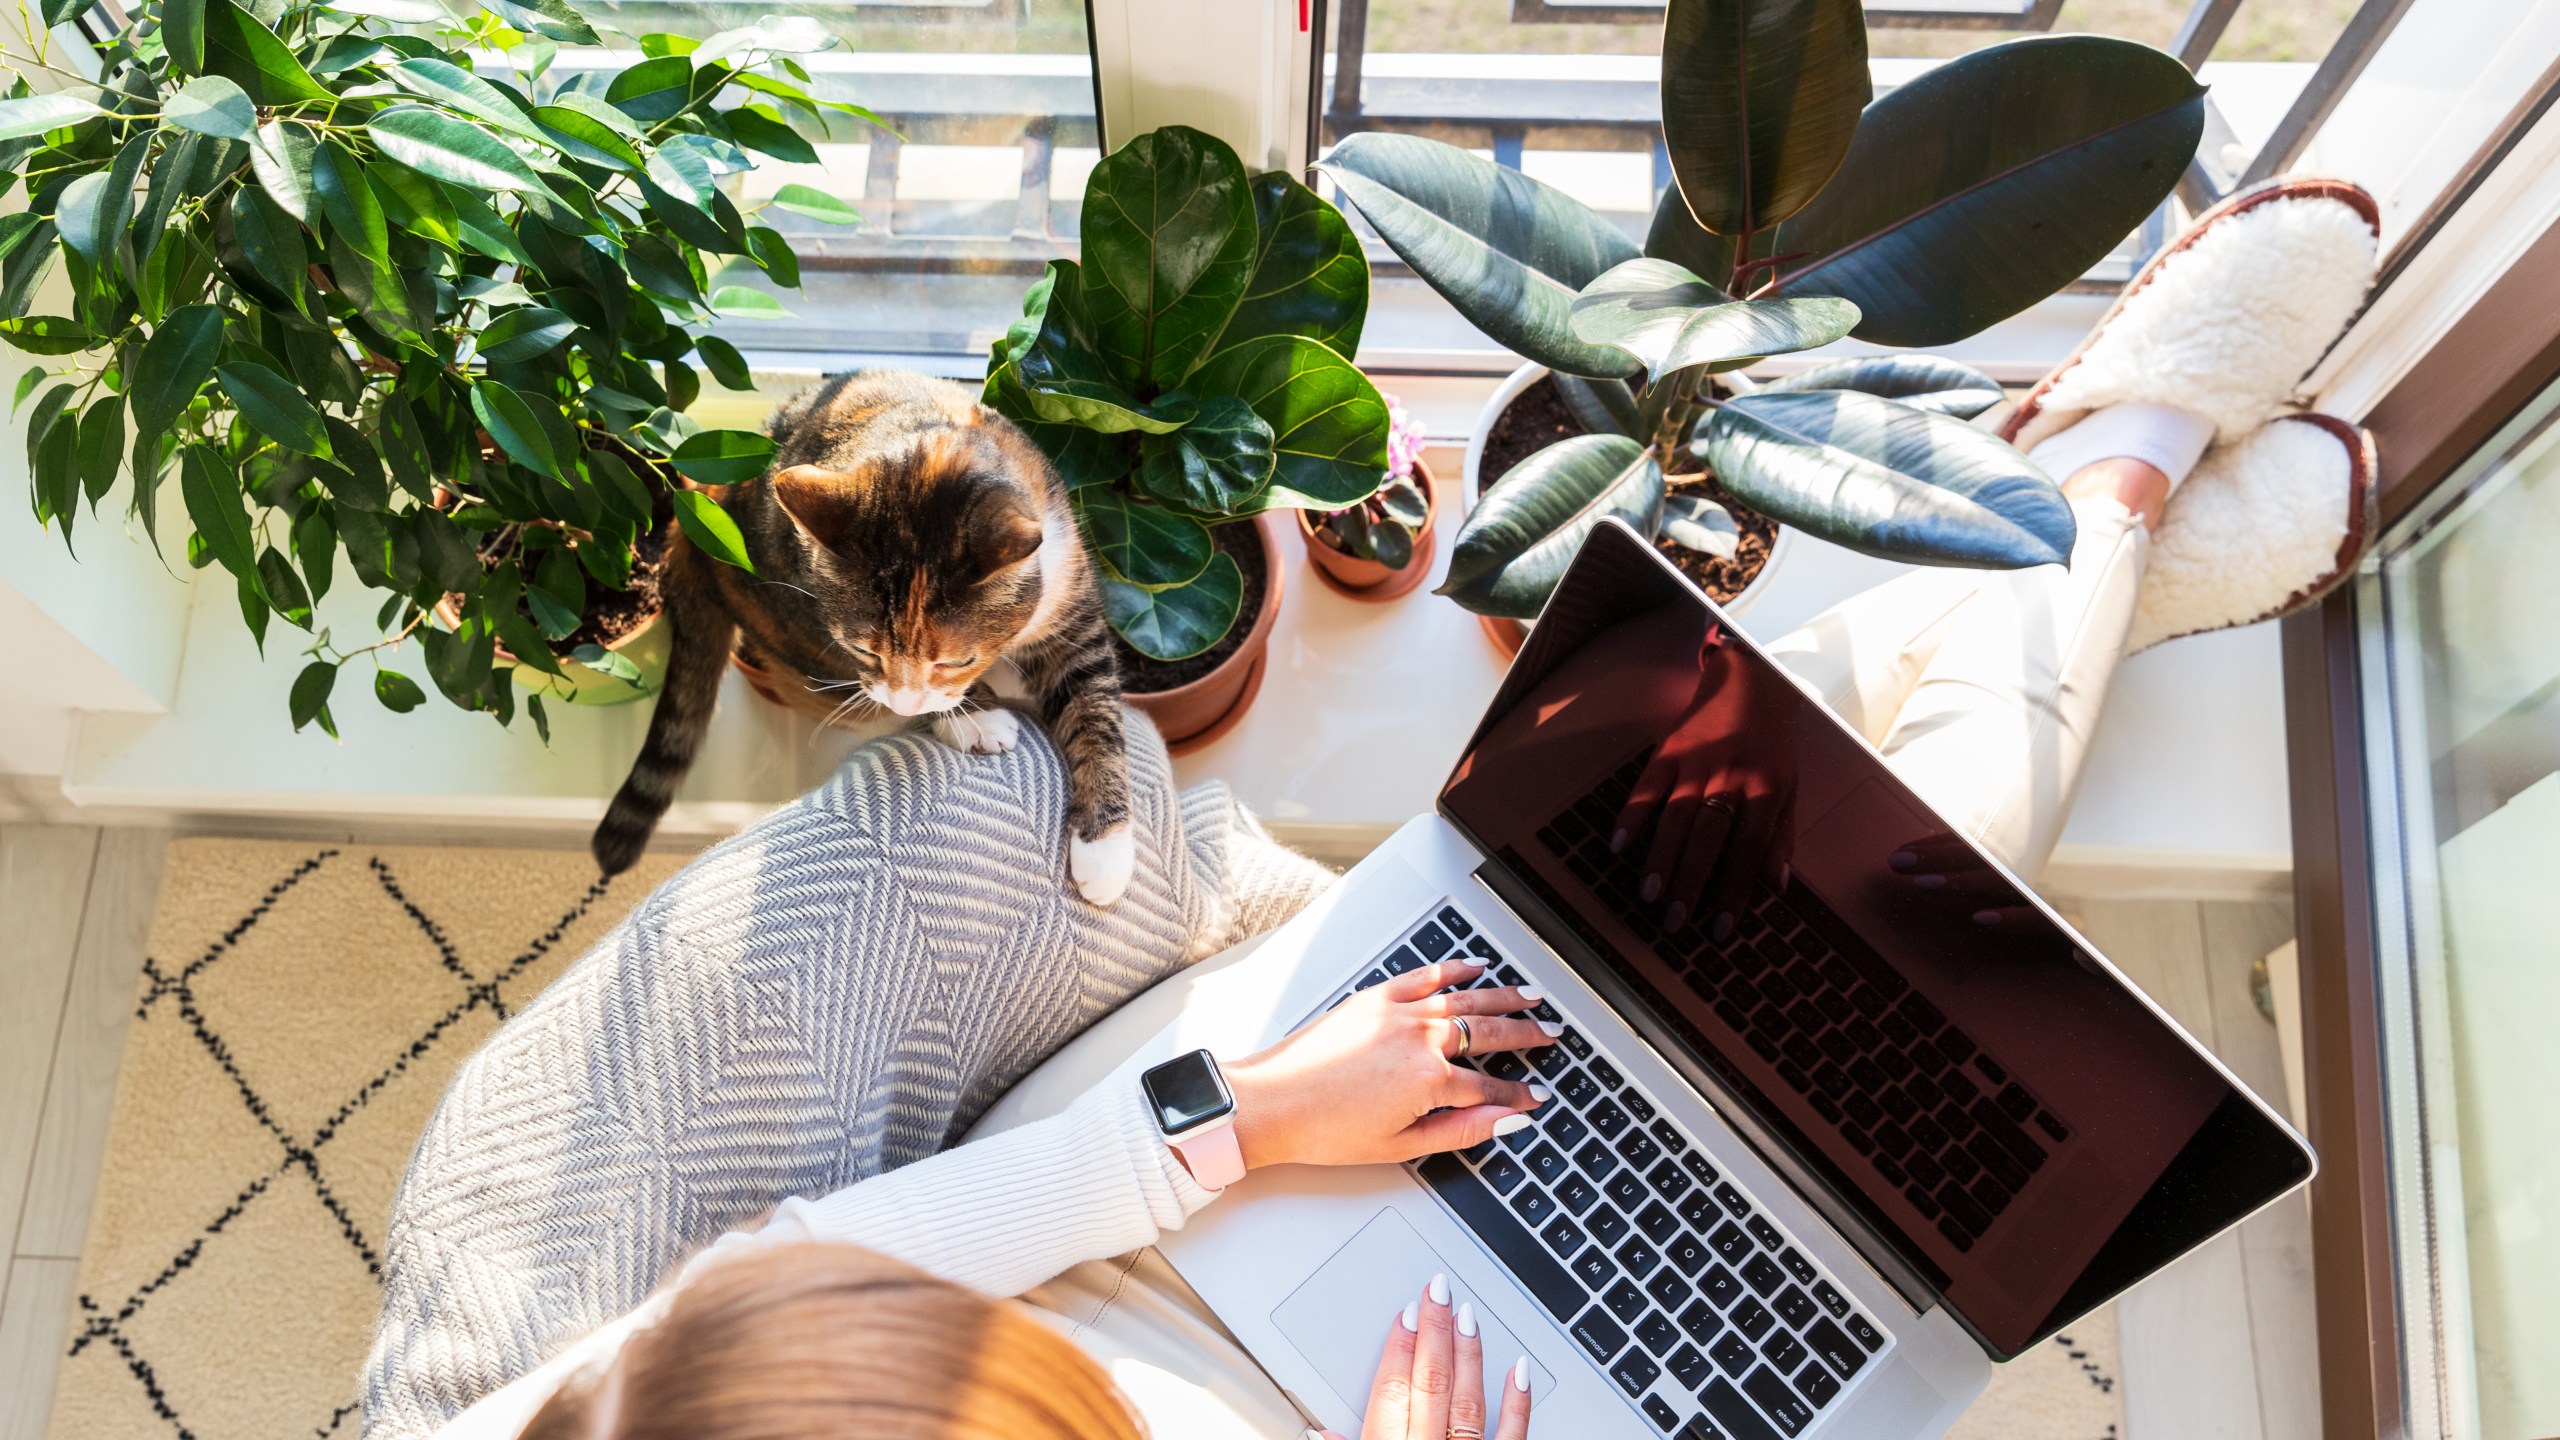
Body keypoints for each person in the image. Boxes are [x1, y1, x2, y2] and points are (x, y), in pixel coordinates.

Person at [379, 178, 2379, 1440]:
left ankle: (2079, 525)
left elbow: (799, 1267)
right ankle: (2088, 519)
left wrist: (1228, 1127)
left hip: (1141, 1230)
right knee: (1833, 984)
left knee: (1675, 900)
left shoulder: (603, 1421)